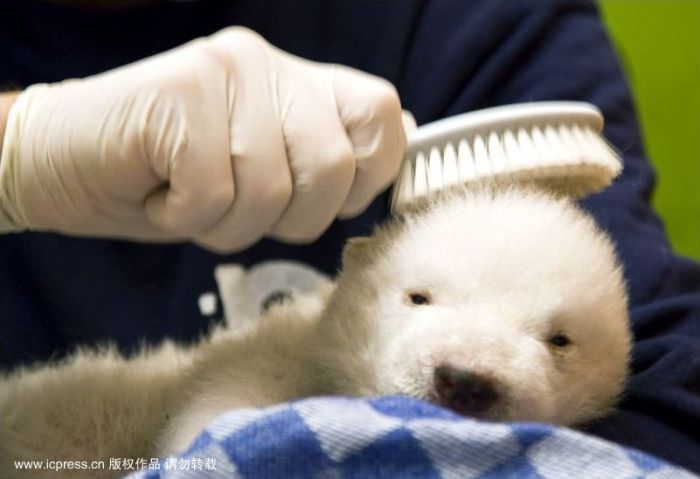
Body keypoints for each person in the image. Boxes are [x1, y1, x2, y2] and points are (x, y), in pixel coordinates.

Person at [0, 0, 698, 474]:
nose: (470, 371)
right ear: (359, 270)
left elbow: (672, 379)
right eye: (420, 298)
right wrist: (16, 154)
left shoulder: (474, 19)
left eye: (559, 341)